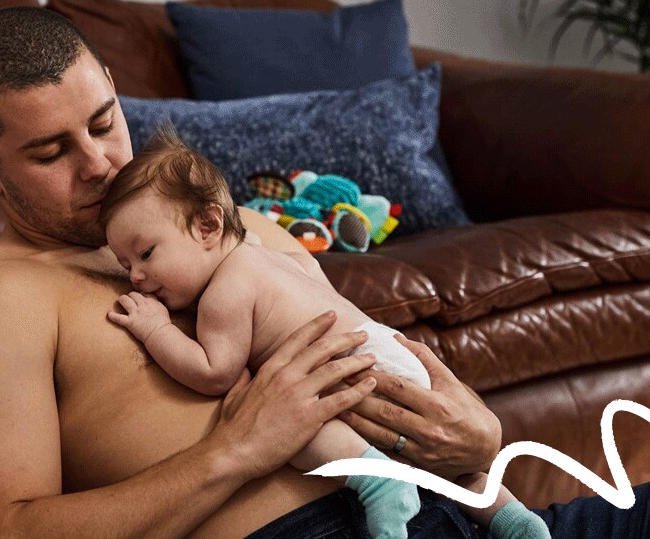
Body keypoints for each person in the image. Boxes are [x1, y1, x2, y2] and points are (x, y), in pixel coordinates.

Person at [0, 6, 649, 538]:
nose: (100, 164)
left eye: (105, 122)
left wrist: (478, 435)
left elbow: (358, 371)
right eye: (51, 154)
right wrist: (235, 452)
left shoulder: (239, 226)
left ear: (114, 89)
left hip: (458, 512)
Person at [99, 126, 550, 539]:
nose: (136, 276)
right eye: (126, 266)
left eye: (146, 254)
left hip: (349, 372)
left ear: (208, 226)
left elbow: (214, 372)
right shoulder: (268, 254)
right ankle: (515, 521)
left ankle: (377, 482)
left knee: (291, 423)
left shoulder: (224, 293)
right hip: (391, 351)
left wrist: (156, 329)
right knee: (447, 465)